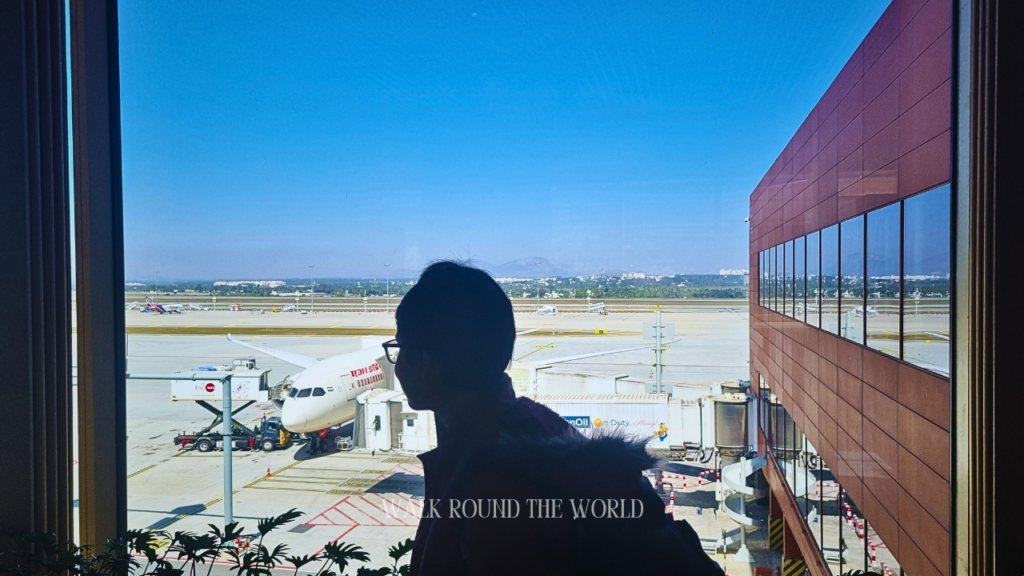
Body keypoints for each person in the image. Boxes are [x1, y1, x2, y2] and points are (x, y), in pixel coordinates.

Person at [389, 261, 722, 576]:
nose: (397, 362)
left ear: (426, 363)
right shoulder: (539, 428)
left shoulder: (494, 490)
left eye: (401, 347)